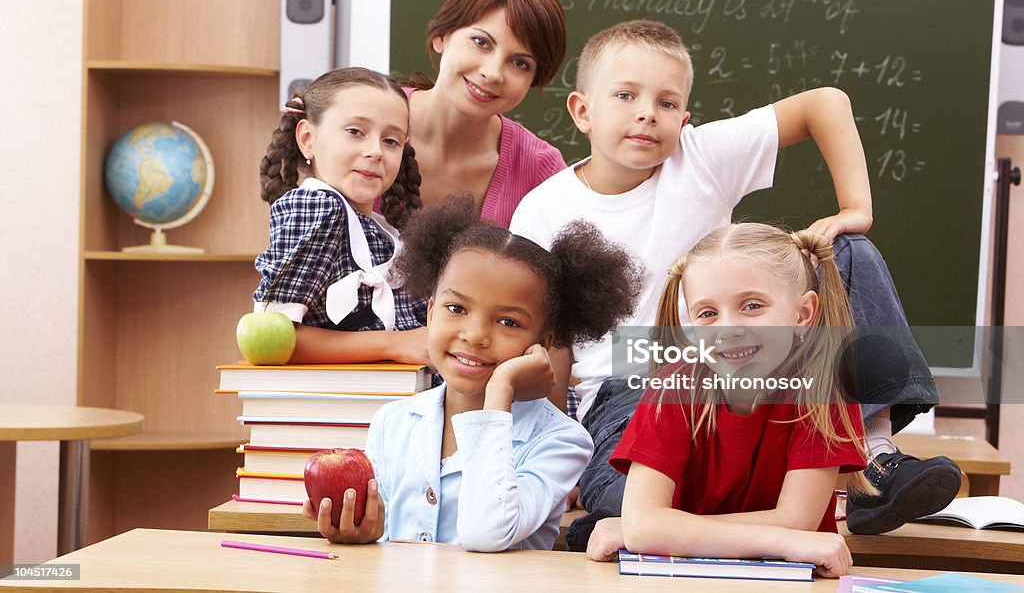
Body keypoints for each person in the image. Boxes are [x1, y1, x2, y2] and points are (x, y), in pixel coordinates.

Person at [508, 20, 959, 546]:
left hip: (742, 374)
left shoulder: (698, 156)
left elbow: (826, 103)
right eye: (626, 95)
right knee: (623, 486)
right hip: (627, 388)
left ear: (685, 118)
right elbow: (551, 342)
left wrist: (854, 208)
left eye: (668, 103)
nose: (647, 113)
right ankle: (647, 521)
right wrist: (552, 448)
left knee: (848, 249)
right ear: (582, 111)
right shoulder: (544, 209)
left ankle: (873, 458)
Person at [303, 194, 644, 551]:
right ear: (431, 312)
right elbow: (387, 537)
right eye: (455, 308)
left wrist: (501, 389)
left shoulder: (561, 441)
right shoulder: (392, 423)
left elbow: (488, 533)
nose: (476, 334)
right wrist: (364, 533)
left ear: (542, 342)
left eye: (508, 321)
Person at [597, 223, 867, 577]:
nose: (728, 328)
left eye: (752, 306)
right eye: (708, 313)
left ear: (802, 313)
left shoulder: (822, 392)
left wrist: (662, 530)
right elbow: (645, 526)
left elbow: (795, 520)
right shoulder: (673, 389)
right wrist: (783, 541)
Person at [254, 67, 428, 364]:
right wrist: (393, 345)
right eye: (355, 132)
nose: (375, 151)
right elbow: (272, 339)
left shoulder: (380, 228)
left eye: (391, 141)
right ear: (308, 138)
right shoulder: (317, 207)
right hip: (337, 406)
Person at [381, 0, 568, 227]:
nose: (493, 73)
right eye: (481, 42)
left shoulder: (541, 171)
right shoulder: (356, 121)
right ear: (441, 36)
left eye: (520, 63)